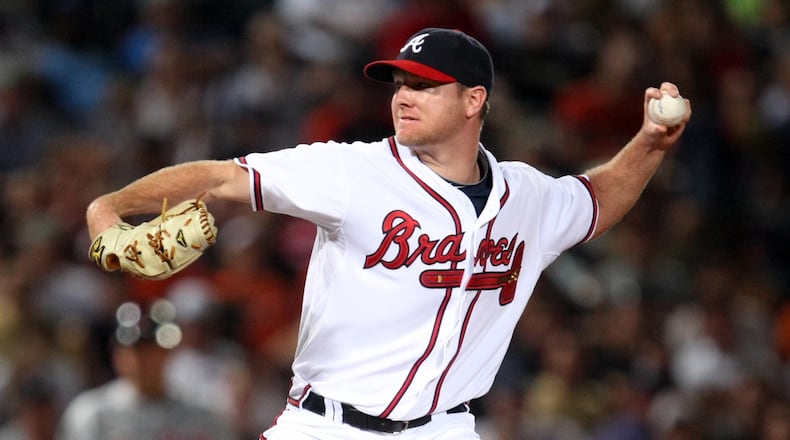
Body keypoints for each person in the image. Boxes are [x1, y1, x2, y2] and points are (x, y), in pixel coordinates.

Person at [85, 27, 691, 440]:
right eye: (400, 84)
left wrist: (651, 142)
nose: (404, 96)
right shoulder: (353, 171)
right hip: (327, 426)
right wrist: (109, 207)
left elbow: (595, 200)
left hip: (444, 428)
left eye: (424, 85)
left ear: (474, 99)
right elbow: (219, 179)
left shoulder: (525, 196)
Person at [55, 301, 238, 440]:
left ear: (170, 352)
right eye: (137, 350)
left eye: (154, 349)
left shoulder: (204, 416)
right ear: (117, 355)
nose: (147, 359)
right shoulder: (92, 413)